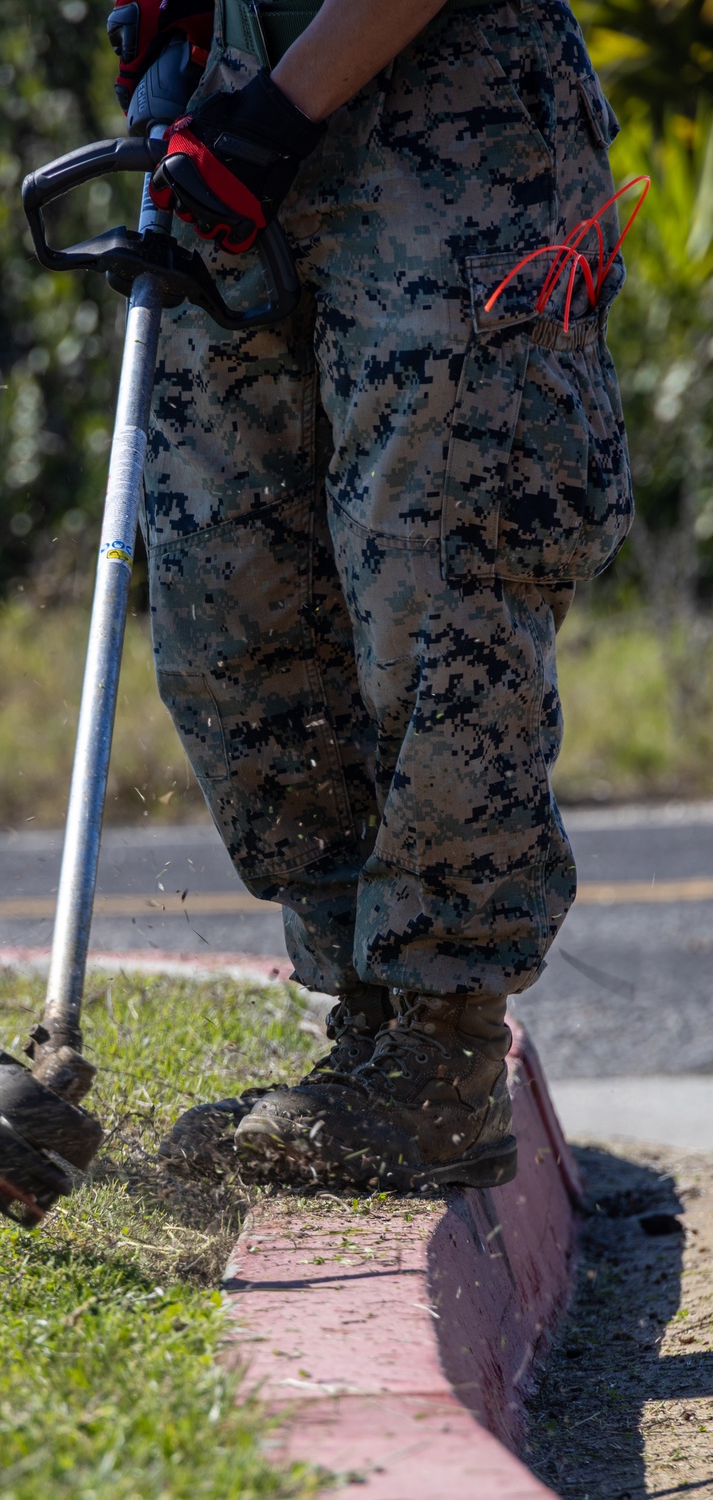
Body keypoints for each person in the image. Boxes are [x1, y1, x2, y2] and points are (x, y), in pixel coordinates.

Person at [108, 0, 632, 1190]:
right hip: (234, 104)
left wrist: (284, 113)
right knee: (233, 583)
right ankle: (365, 1036)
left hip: (447, 110)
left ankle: (442, 1049)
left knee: (438, 567)